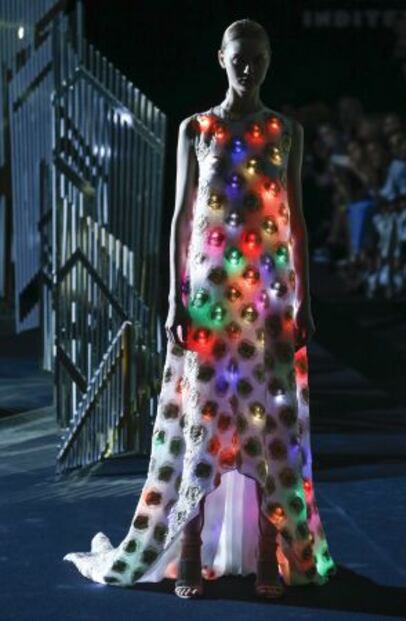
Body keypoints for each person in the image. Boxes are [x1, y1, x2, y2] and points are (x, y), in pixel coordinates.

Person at [63, 18, 337, 600]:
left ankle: (269, 550)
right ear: (221, 58)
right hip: (209, 302)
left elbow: (298, 222)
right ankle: (188, 548)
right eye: (240, 56)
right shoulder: (197, 129)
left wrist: (305, 301)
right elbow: (182, 217)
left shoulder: (284, 130)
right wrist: (173, 298)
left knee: (271, 424)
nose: (249, 67)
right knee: (202, 419)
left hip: (267, 303)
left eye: (258, 57)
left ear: (269, 60)